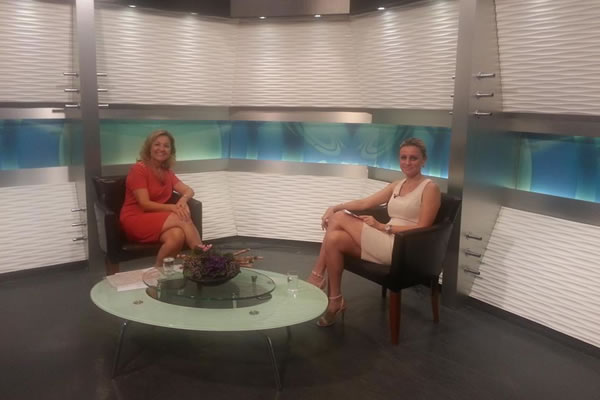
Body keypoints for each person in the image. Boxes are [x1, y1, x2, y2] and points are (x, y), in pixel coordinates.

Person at [307, 138, 441, 327]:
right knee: (334, 239)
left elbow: (423, 226)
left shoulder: (430, 188)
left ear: (424, 161)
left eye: (413, 158)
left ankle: (316, 277)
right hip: (386, 238)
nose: (407, 162)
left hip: (404, 247)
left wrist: (383, 227)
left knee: (338, 218)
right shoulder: (397, 184)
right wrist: (335, 206)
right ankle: (335, 300)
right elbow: (365, 203)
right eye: (403, 157)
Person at [120, 129, 211, 268]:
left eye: (166, 146)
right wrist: (173, 208)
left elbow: (189, 190)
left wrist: (182, 200)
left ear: (171, 151)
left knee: (177, 235)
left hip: (157, 218)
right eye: (157, 144)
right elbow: (144, 204)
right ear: (149, 147)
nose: (161, 149)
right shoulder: (138, 169)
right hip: (135, 219)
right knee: (182, 216)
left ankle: (158, 272)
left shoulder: (167, 172)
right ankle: (203, 261)